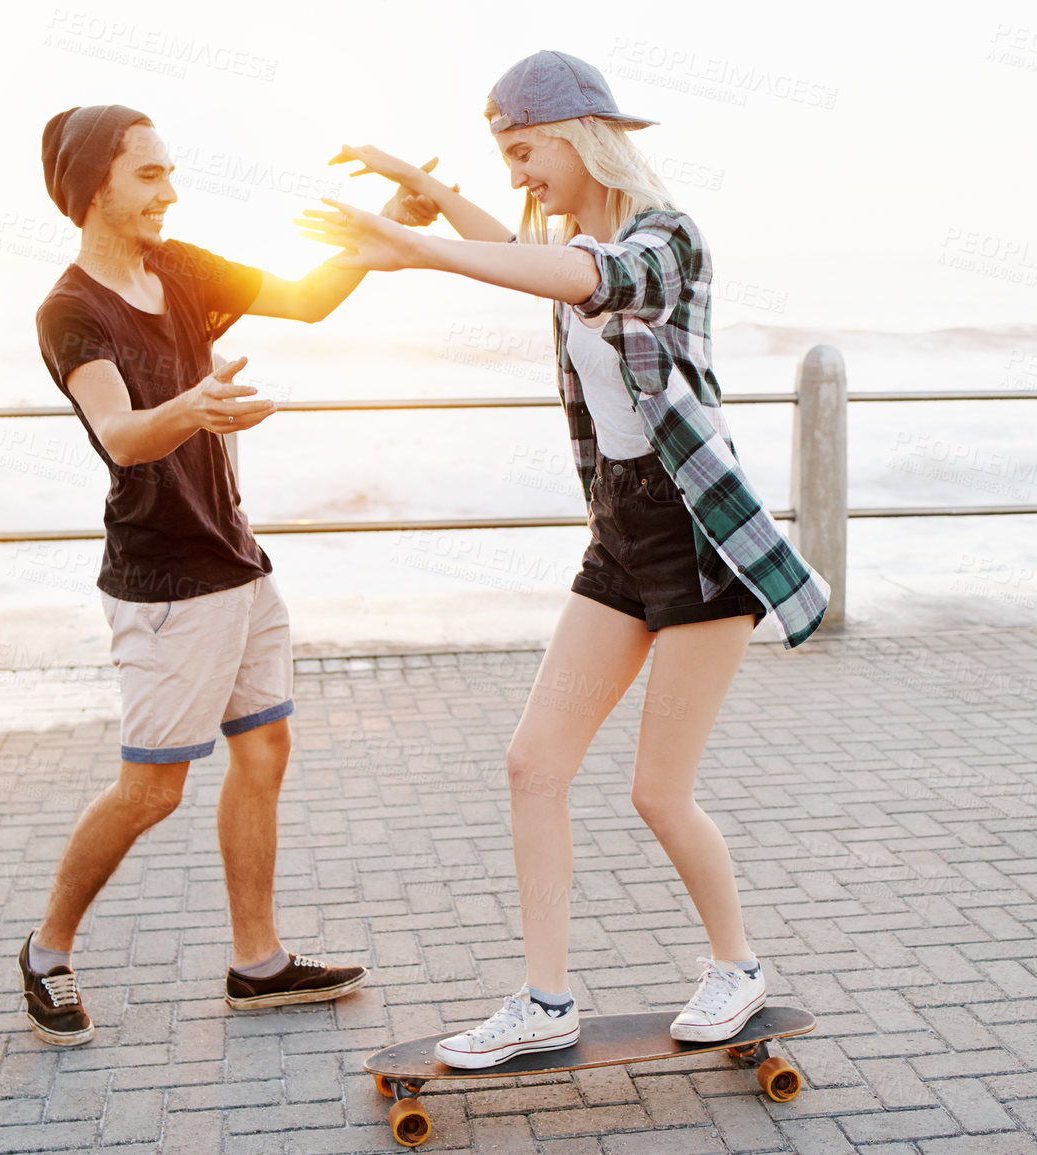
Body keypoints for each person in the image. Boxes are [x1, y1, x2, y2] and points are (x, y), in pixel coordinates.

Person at [300, 51, 829, 1067]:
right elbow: (519, 250)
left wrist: (416, 245)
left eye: (524, 150)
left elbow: (592, 281)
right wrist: (420, 193)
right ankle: (546, 1001)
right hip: (622, 538)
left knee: (657, 793)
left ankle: (739, 965)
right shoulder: (573, 241)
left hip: (699, 539)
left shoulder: (665, 241)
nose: (517, 176)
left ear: (580, 133)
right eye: (503, 155)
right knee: (532, 763)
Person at [22, 104, 440, 1045]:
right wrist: (195, 406)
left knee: (263, 751)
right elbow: (122, 435)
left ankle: (257, 963)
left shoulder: (178, 266)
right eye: (150, 176)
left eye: (170, 172)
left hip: (238, 560)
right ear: (95, 188)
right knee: (152, 790)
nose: (170, 191)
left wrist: (402, 218)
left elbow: (308, 296)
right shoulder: (69, 312)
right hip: (164, 582)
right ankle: (47, 951)